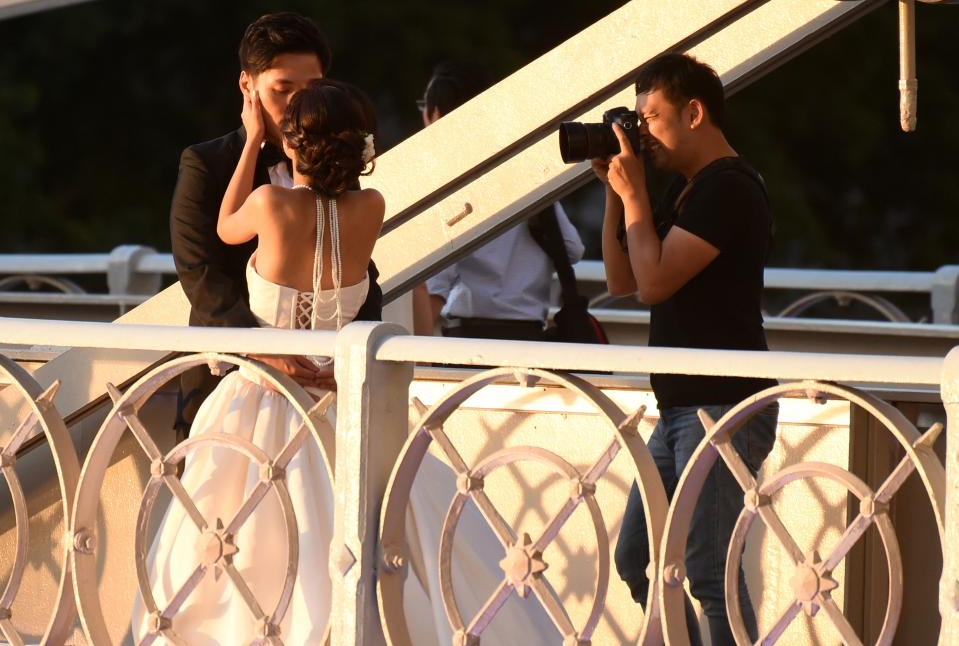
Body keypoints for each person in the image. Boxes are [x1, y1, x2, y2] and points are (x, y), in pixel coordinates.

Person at [135, 80, 557, 645]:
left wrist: (251, 137)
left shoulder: (269, 204)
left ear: (292, 144)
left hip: (263, 395)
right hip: (341, 396)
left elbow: (222, 225)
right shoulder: (371, 207)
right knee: (372, 530)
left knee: (239, 542)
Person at [596, 53, 778, 645]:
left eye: (652, 118)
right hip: (683, 407)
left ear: (694, 112)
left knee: (709, 573)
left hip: (723, 407)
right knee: (636, 558)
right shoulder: (686, 190)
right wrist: (615, 193)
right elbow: (623, 280)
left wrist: (638, 198)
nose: (642, 135)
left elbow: (653, 285)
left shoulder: (728, 188)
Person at [170, 12, 382, 438]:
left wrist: (352, 355)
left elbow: (361, 273)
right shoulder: (206, 163)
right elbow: (200, 270)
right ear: (247, 87)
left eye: (313, 90)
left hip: (325, 383)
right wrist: (260, 351)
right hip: (226, 386)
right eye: (283, 90)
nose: (299, 105)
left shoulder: (335, 161)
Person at [412, 61, 585, 339]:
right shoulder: (525, 175)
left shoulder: (452, 185)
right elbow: (573, 249)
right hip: (529, 334)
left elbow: (436, 283)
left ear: (436, 115)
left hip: (468, 336)